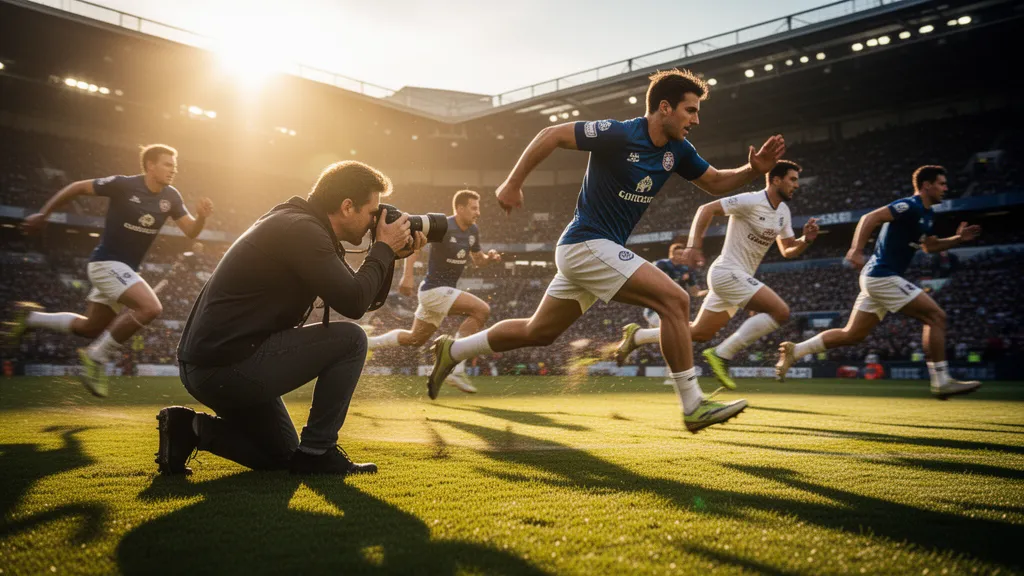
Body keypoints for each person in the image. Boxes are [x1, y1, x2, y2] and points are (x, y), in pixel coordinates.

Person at [427, 68, 787, 433]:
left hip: (596, 251)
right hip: (585, 243)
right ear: (665, 107)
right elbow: (551, 134)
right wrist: (512, 182)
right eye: (690, 110)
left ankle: (452, 351)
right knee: (675, 301)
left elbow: (713, 182)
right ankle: (693, 404)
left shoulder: (678, 150)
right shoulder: (620, 133)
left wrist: (752, 170)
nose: (696, 119)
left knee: (539, 331)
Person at [156, 161, 426, 477]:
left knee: (281, 454)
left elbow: (363, 296)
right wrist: (382, 247)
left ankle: (189, 428)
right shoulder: (302, 231)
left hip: (213, 364)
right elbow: (353, 303)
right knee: (351, 340)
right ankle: (319, 452)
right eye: (371, 213)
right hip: (227, 365)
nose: (373, 223)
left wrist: (388, 254)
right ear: (347, 206)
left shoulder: (296, 222)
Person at [7, 144, 213, 397]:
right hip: (105, 264)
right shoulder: (124, 185)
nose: (174, 169)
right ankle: (96, 356)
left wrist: (201, 217)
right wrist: (44, 213)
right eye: (167, 164)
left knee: (90, 328)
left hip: (122, 270)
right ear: (150, 165)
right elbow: (78, 187)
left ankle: (33, 318)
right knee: (150, 308)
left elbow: (190, 231)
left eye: (175, 165)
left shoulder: (171, 197)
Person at [776, 165, 982, 399]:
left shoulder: (926, 215)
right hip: (882, 276)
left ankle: (797, 350)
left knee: (853, 335)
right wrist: (856, 249)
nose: (946, 188)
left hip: (878, 278)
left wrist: (958, 239)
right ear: (926, 185)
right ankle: (941, 380)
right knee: (936, 317)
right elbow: (870, 217)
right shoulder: (910, 205)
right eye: (942, 184)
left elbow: (930, 246)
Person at [616, 161, 818, 390]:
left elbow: (787, 249)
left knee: (699, 332)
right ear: (776, 180)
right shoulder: (752, 200)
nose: (796, 185)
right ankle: (722, 354)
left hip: (737, 278)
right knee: (780, 312)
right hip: (726, 272)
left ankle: (638, 336)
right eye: (792, 179)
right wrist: (693, 246)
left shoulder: (783, 212)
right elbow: (706, 209)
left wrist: (805, 240)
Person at [366, 190, 502, 394]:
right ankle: (457, 368)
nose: (478, 212)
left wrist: (489, 258)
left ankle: (368, 343)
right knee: (481, 310)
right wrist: (408, 275)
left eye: (478, 208)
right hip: (434, 291)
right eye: (474, 208)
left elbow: (478, 259)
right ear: (460, 208)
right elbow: (416, 246)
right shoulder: (444, 226)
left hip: (441, 293)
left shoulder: (473, 231)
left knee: (415, 339)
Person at [629, 243, 706, 385]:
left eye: (682, 254)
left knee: (677, 338)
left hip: (673, 311)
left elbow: (694, 292)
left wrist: (710, 292)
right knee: (677, 337)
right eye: (677, 254)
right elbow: (651, 280)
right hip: (655, 310)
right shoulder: (662, 265)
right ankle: (675, 376)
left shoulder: (687, 270)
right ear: (671, 254)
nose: (680, 256)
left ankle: (635, 339)